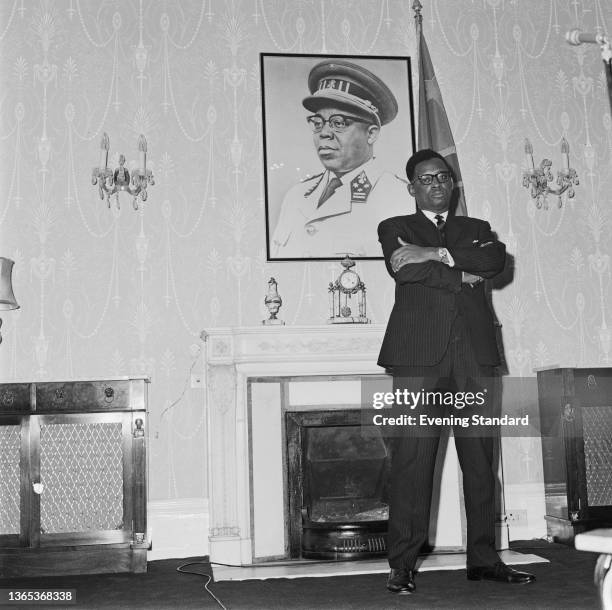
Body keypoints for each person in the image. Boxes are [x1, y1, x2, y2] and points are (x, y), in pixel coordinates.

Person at [377, 149, 535, 594]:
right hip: (417, 360)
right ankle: (402, 564)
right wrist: (458, 269)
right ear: (412, 188)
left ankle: (484, 559)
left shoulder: (477, 229)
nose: (437, 184)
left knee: (481, 463)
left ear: (453, 183)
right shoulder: (395, 228)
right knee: (413, 463)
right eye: (426, 179)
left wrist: (436, 253)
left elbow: (492, 262)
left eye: (443, 177)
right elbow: (405, 273)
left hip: (475, 360)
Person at [270, 59, 414, 258]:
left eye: (338, 123)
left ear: (371, 134)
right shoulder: (295, 197)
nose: (324, 133)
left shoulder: (399, 197)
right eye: (318, 122)